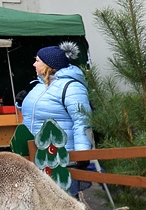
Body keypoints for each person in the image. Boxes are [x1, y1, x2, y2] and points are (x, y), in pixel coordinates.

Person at [20, 42, 93, 196]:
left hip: (61, 158)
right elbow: (37, 115)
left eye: (37, 60)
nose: (34, 64)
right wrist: (21, 104)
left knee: (65, 205)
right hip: (38, 157)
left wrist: (82, 154)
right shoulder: (39, 86)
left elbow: (82, 121)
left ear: (48, 65)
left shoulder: (71, 87)